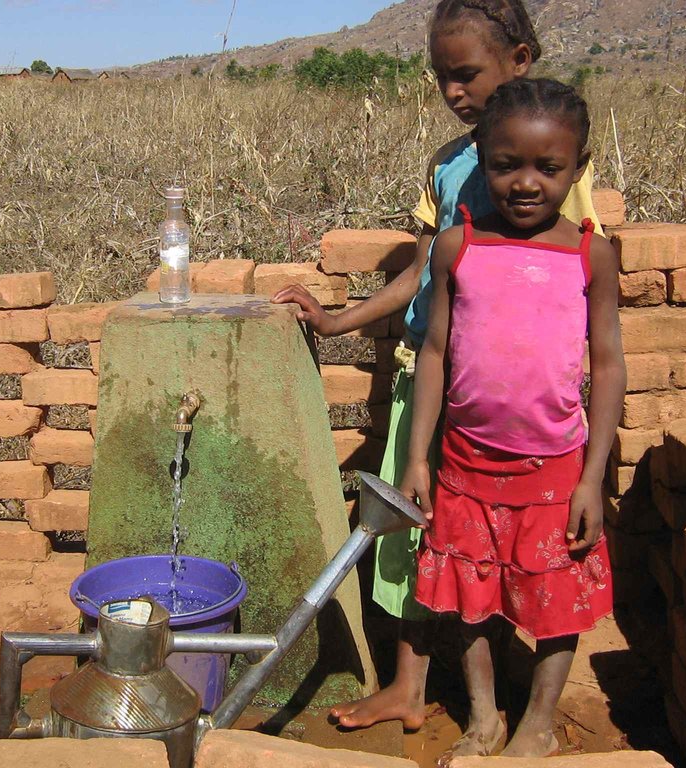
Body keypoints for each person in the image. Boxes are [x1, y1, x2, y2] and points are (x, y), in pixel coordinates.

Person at [273, 0, 604, 732]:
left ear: (519, 61)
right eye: (441, 79)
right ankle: (409, 683)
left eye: (466, 74)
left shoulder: (553, 170)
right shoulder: (452, 166)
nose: (453, 92)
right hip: (431, 380)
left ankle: (469, 693)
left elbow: (571, 290)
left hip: (509, 408)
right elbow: (421, 277)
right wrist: (337, 320)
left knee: (481, 545)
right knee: (417, 536)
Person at [401, 78, 625, 763]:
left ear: (578, 170)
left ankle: (538, 721)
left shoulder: (589, 255)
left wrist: (593, 479)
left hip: (556, 470)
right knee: (469, 597)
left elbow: (610, 367)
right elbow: (434, 353)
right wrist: (418, 458)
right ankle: (482, 718)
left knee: (556, 600)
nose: (525, 183)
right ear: (483, 160)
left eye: (548, 168)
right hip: (467, 466)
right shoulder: (457, 248)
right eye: (506, 165)